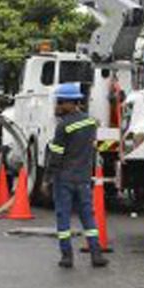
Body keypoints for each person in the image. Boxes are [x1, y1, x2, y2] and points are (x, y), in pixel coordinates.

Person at [47, 83, 106, 269]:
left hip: (64, 177)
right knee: (88, 216)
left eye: (60, 102)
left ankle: (67, 256)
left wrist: (48, 178)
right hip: (83, 177)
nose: (57, 106)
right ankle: (96, 254)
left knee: (63, 216)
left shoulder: (63, 126)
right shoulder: (90, 122)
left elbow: (56, 156)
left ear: (69, 103)